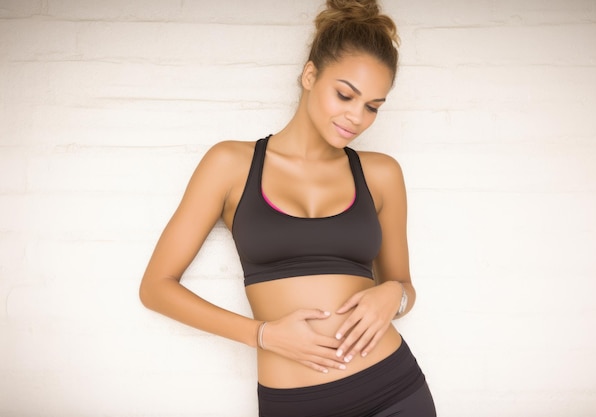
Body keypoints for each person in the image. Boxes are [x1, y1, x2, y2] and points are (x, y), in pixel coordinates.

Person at [139, 0, 436, 415]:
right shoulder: (230, 164)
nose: (356, 117)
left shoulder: (381, 174)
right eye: (345, 95)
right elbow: (155, 287)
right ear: (310, 75)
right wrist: (262, 335)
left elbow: (404, 285)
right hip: (296, 404)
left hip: (392, 391)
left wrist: (394, 295)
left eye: (372, 107)